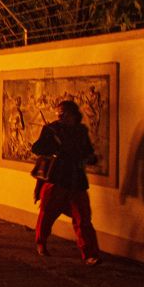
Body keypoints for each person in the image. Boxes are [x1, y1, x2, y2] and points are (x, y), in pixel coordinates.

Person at [32, 99, 102, 265]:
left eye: (63, 113)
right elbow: (37, 148)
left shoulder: (80, 130)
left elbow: (87, 151)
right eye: (58, 113)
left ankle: (89, 254)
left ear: (73, 114)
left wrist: (89, 157)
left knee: (83, 219)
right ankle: (41, 242)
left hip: (76, 179)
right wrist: (55, 147)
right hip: (56, 178)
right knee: (47, 214)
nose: (60, 116)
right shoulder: (51, 129)